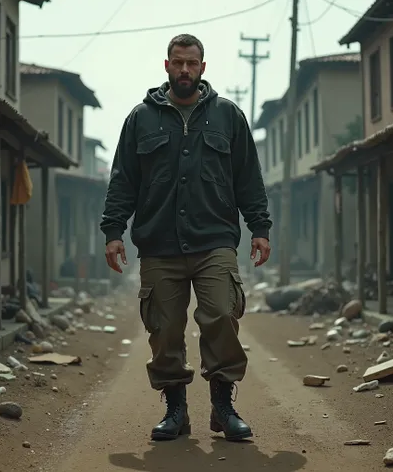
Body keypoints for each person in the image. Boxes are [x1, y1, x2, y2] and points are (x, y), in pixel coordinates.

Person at [100, 34, 272, 442]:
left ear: (202, 68)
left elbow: (248, 178)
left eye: (191, 64)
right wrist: (113, 231)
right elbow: (123, 180)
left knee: (222, 318)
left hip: (215, 240)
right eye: (177, 63)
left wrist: (260, 228)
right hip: (159, 243)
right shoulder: (140, 118)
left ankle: (223, 405)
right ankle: (176, 410)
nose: (184, 71)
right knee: (164, 329)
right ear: (166, 66)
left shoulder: (228, 116)